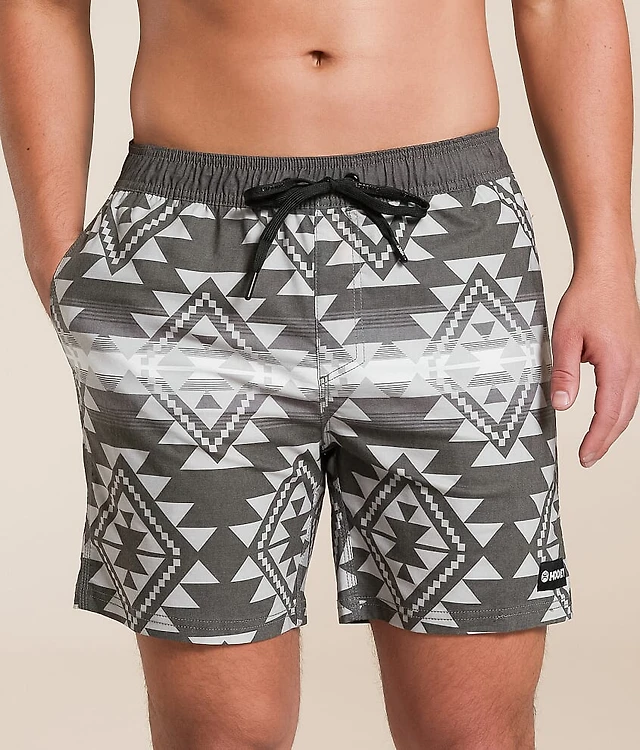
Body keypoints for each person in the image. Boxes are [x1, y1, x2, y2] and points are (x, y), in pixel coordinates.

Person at [1, 1, 639, 748]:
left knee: (472, 731)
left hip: (452, 258)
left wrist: (608, 257)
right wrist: (55, 255)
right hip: (186, 265)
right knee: (221, 736)